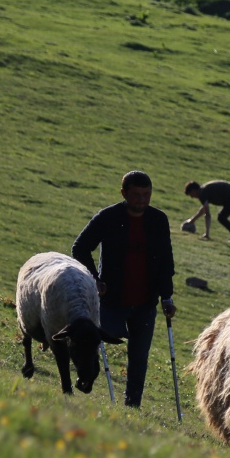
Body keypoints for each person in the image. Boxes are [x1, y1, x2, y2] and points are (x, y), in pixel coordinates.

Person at [71, 171, 176, 408]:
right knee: (93, 344)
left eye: (147, 194)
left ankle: (132, 405)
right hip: (111, 300)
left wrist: (167, 297)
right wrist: (95, 279)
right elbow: (80, 247)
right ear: (124, 193)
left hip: (146, 302)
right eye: (137, 194)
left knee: (139, 357)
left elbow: (166, 261)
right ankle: (86, 379)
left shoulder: (158, 220)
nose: (142, 200)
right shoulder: (108, 217)